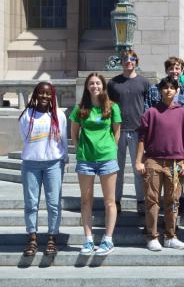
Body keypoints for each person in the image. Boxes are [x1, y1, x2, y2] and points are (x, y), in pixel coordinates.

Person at [135, 77, 184, 251]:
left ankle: (170, 236)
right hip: (153, 160)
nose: (168, 90)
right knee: (152, 200)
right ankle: (152, 236)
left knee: (173, 200)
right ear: (160, 91)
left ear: (177, 91)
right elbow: (142, 139)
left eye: (172, 88)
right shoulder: (151, 112)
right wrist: (139, 161)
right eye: (165, 88)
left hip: (175, 162)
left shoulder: (183, 113)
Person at [70, 72, 122, 255]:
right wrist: (80, 149)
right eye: (91, 83)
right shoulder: (80, 109)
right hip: (86, 160)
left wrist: (112, 149)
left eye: (98, 83)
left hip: (107, 158)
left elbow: (117, 132)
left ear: (103, 86)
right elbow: (74, 133)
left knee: (109, 201)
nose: (95, 86)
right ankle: (88, 239)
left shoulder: (112, 107)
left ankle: (108, 239)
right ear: (87, 87)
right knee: (86, 201)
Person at [19, 81, 68, 256]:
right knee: (31, 203)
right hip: (31, 164)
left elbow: (63, 139)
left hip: (53, 164)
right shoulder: (27, 115)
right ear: (35, 94)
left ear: (52, 96)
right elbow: (25, 138)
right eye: (41, 93)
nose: (45, 96)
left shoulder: (59, 115)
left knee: (53, 203)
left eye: (48, 93)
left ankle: (52, 238)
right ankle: (32, 238)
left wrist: (62, 159)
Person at [107, 50, 150, 215]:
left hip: (138, 132)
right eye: (125, 59)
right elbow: (107, 107)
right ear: (121, 62)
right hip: (117, 131)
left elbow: (149, 107)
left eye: (132, 59)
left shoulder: (144, 83)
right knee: (116, 170)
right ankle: (115, 202)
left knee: (139, 169)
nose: (128, 61)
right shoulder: (113, 83)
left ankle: (141, 201)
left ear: (136, 62)